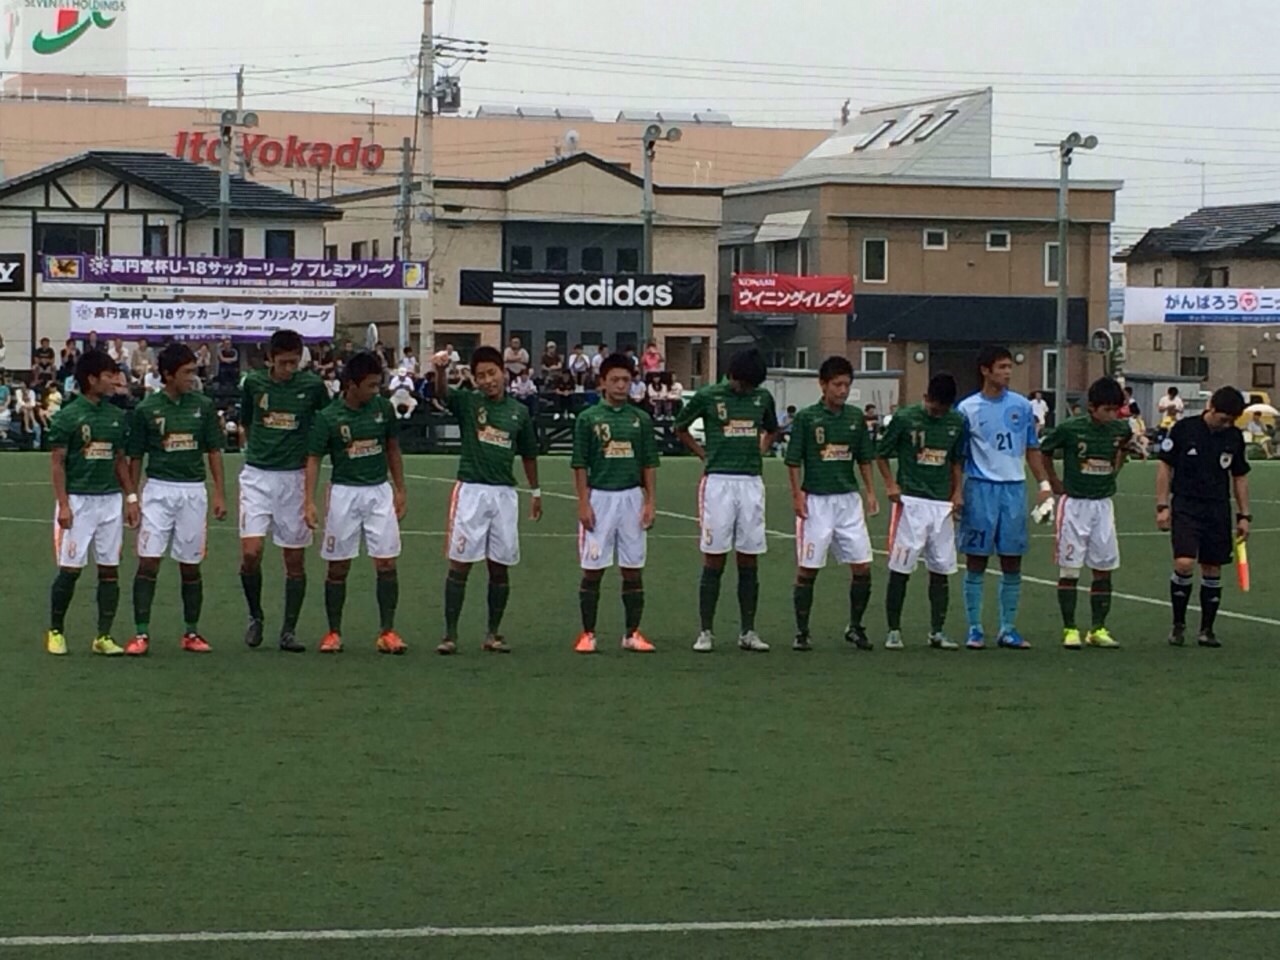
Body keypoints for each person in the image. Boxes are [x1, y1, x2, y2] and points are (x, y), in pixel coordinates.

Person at [434, 346, 541, 655]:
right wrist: (440, 371)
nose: (487, 380)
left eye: (492, 373)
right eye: (481, 376)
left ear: (503, 373)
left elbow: (529, 454)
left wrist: (536, 492)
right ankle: (450, 635)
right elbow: (442, 394)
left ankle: (493, 634)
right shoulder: (469, 402)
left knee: (500, 566)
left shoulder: (519, 412)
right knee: (460, 564)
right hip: (471, 492)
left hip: (504, 495)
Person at [124, 343, 227, 657]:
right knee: (148, 561)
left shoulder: (203, 406)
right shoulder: (146, 409)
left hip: (193, 492)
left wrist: (220, 493)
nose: (192, 378)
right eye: (186, 372)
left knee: (190, 565)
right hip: (158, 491)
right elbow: (135, 456)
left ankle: (191, 632)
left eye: (194, 371)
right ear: (168, 375)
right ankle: (141, 633)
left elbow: (214, 450)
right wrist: (132, 498)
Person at [674, 349, 779, 652]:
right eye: (742, 383)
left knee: (749, 556)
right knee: (714, 555)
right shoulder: (708, 396)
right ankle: (705, 632)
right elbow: (680, 427)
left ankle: (748, 631)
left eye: (751, 385)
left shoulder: (763, 398)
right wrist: (703, 455)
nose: (745, 390)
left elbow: (773, 430)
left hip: (751, 482)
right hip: (718, 482)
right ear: (731, 375)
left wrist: (760, 450)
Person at [304, 350, 408, 656]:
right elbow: (314, 459)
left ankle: (387, 632)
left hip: (378, 493)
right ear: (351, 385)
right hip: (344, 495)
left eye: (378, 384)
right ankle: (333, 632)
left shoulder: (383, 410)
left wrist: (400, 489)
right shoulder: (328, 417)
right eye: (371, 385)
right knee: (338, 566)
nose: (376, 391)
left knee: (386, 562)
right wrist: (308, 501)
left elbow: (392, 449)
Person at [237, 328, 332, 653]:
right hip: (257, 477)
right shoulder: (253, 384)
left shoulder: (313, 387)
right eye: (283, 363)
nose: (290, 369)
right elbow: (247, 422)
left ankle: (289, 630)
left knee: (294, 560)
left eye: (294, 362)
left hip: (294, 479)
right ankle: (255, 615)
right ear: (270, 359)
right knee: (251, 553)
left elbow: (325, 422)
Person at [957, 344, 1052, 650]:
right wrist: (956, 492)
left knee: (1012, 559)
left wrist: (1044, 483)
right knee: (976, 559)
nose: (1008, 372)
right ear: (985, 370)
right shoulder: (967, 409)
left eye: (1010, 367)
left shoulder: (1022, 406)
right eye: (1002, 367)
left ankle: (1007, 629)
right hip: (980, 488)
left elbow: (1031, 447)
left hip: (1013, 489)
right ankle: (974, 629)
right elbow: (958, 456)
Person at [45, 351, 139, 656]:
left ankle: (103, 636)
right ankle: (56, 631)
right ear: (92, 379)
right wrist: (63, 505)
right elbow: (57, 463)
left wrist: (131, 498)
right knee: (70, 569)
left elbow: (120, 461)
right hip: (79, 501)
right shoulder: (69, 416)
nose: (114, 381)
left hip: (110, 501)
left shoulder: (116, 416)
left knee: (110, 570)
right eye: (108, 376)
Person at [786, 356, 880, 652]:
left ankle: (855, 627)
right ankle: (802, 632)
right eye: (837, 384)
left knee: (862, 566)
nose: (842, 390)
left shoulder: (855, 418)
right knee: (808, 568)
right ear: (823, 385)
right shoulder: (807, 418)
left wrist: (870, 492)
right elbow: (793, 461)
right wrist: (797, 495)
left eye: (847, 385)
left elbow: (864, 458)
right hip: (816, 501)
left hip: (848, 502)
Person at [572, 353, 660, 654]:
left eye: (626, 380)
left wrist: (651, 502)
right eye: (615, 380)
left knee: (632, 568)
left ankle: (631, 633)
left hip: (631, 498)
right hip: (600, 497)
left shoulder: (641, 419)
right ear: (603, 383)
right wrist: (583, 503)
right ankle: (588, 634)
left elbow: (649, 463)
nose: (621, 385)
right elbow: (579, 464)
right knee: (593, 568)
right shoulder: (588, 418)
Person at [1039, 377, 1131, 650]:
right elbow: (1045, 451)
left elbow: (1124, 446)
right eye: (1107, 410)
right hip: (1075, 505)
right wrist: (1053, 481)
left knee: (1104, 568)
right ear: (1092, 407)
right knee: (1070, 568)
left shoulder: (1120, 429)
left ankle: (1098, 628)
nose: (1112, 415)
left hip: (1103, 505)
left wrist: (1116, 468)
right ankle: (1070, 628)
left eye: (1116, 410)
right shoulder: (1070, 428)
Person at [876, 373, 966, 651]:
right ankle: (893, 630)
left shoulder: (956, 421)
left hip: (941, 505)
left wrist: (957, 492)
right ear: (926, 398)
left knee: (941, 568)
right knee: (900, 567)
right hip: (910, 503)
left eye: (943, 410)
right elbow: (881, 453)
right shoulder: (905, 418)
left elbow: (956, 461)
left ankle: (937, 631)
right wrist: (891, 484)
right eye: (934, 408)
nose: (938, 414)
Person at [1156, 386, 1250, 648]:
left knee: (1212, 567)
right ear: (1211, 407)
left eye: (1232, 420)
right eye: (1224, 418)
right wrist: (1162, 505)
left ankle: (1207, 630)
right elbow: (1165, 466)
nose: (1227, 424)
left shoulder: (1234, 437)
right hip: (1186, 505)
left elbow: (1239, 476)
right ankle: (1178, 625)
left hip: (1217, 508)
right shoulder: (1184, 429)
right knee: (1184, 562)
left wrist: (1244, 515)